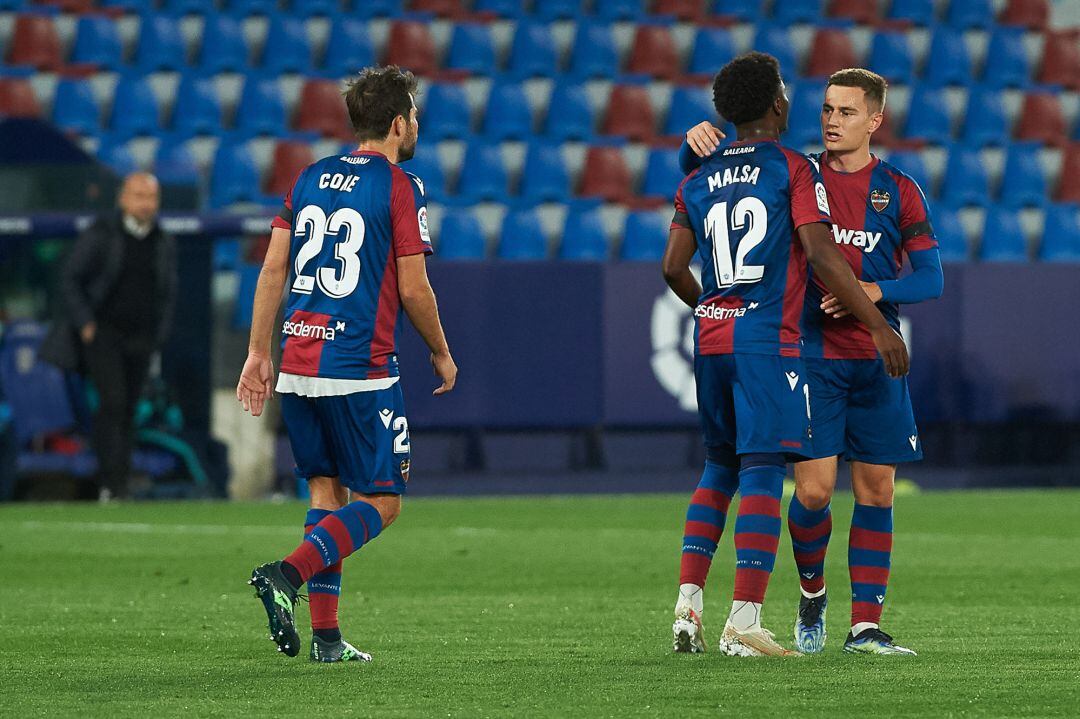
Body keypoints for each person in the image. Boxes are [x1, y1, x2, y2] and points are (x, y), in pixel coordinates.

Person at [679, 69, 942, 656]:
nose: (830, 120)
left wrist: (877, 295)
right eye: (826, 109)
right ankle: (812, 592)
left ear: (874, 120)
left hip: (874, 360)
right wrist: (688, 147)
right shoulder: (796, 172)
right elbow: (720, 187)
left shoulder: (899, 190)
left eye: (846, 112)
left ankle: (865, 627)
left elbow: (932, 277)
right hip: (810, 356)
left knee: (876, 492)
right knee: (816, 493)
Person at [236, 65, 457, 663]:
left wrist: (259, 353)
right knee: (383, 500)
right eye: (412, 115)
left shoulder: (306, 177)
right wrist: (439, 350)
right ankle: (286, 574)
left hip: (298, 359)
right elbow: (414, 289)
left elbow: (272, 271)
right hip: (357, 365)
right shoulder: (400, 185)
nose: (416, 125)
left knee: (326, 491)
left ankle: (327, 640)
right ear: (395, 123)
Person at [41, 172, 177, 501]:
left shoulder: (163, 240)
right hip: (104, 336)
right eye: (139, 195)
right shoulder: (102, 234)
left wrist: (160, 333)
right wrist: (86, 323)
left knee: (130, 408)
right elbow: (71, 278)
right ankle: (109, 481)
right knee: (112, 403)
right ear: (123, 198)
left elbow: (168, 292)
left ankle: (121, 481)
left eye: (152, 197)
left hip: (142, 337)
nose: (146, 204)